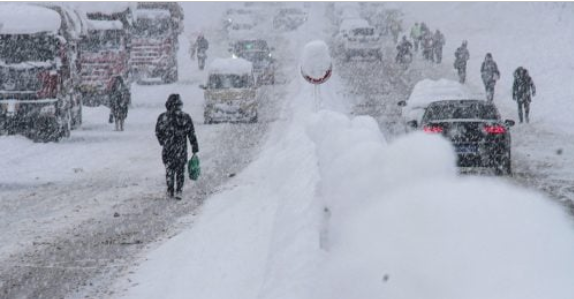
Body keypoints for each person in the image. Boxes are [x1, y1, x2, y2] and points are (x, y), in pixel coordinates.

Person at [155, 94, 199, 199]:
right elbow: (191, 133)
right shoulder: (185, 117)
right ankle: (179, 190)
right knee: (180, 171)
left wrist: (163, 141)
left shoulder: (163, 117)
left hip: (168, 149)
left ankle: (170, 190)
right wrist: (194, 147)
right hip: (181, 149)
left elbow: (158, 131)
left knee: (169, 169)